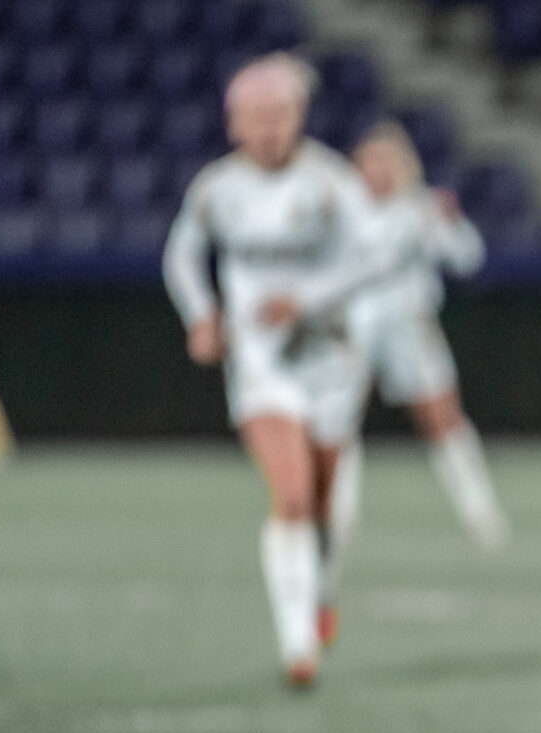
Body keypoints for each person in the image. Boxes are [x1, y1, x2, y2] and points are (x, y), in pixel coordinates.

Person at [163, 55, 392, 689]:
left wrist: (309, 299)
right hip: (261, 362)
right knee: (289, 494)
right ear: (233, 123)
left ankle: (322, 590)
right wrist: (201, 315)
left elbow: (375, 258)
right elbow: (182, 255)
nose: (267, 129)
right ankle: (298, 645)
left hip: (330, 359)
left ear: (299, 117)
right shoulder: (217, 189)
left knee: (324, 507)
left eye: (279, 115)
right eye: (255, 117)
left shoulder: (330, 182)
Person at [331, 120, 507, 566]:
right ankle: (337, 515)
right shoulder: (341, 208)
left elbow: (467, 258)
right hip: (355, 324)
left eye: (388, 160)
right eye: (371, 160)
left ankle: (479, 510)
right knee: (338, 418)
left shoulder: (419, 207)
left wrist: (450, 222)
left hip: (409, 324)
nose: (378, 169)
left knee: (443, 418)